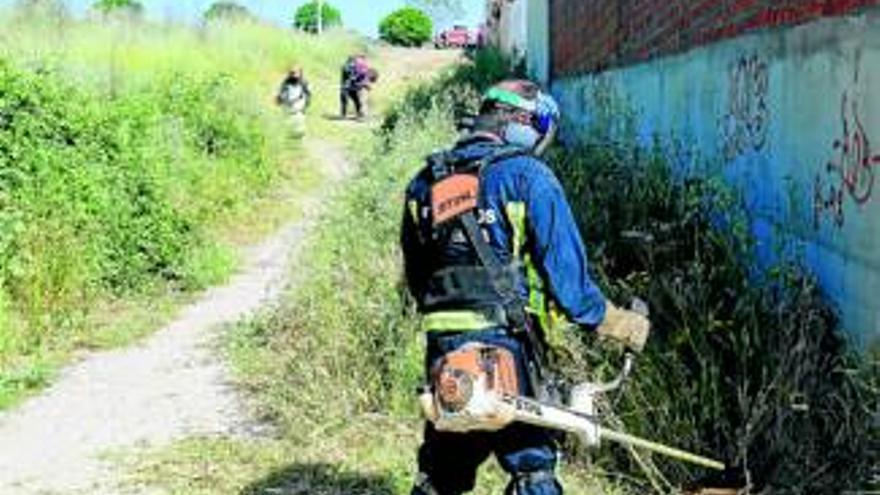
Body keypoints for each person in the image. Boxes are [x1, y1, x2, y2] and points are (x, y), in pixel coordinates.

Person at [400, 80, 651, 495]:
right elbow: (570, 285)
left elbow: (417, 277)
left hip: (444, 348)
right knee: (531, 464)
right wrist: (620, 323)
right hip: (508, 346)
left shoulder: (424, 182)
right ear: (523, 122)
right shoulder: (527, 176)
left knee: (444, 466)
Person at [339, 54, 375, 119]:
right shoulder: (351, 66)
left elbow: (363, 76)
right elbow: (353, 76)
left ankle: (358, 114)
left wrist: (364, 84)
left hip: (352, 86)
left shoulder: (360, 66)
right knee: (355, 100)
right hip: (351, 86)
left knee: (356, 100)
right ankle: (355, 114)